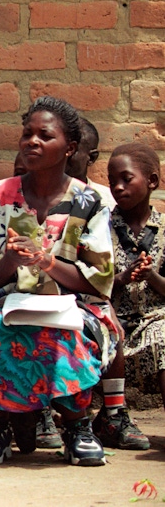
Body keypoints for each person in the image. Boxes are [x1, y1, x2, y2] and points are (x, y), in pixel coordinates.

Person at [0, 96, 115, 467]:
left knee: (69, 332)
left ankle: (76, 426)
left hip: (74, 305)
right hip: (8, 304)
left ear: (70, 148)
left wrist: (48, 261)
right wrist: (9, 259)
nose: (32, 142)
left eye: (45, 135)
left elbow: (98, 282)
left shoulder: (92, 202)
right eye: (27, 134)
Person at [98, 143, 162, 448]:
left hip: (154, 320)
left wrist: (151, 276)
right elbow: (89, 281)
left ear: (152, 181)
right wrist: (121, 279)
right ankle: (114, 416)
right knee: (110, 330)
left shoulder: (163, 230)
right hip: (114, 314)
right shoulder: (102, 227)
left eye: (126, 179)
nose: (118, 188)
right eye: (112, 182)